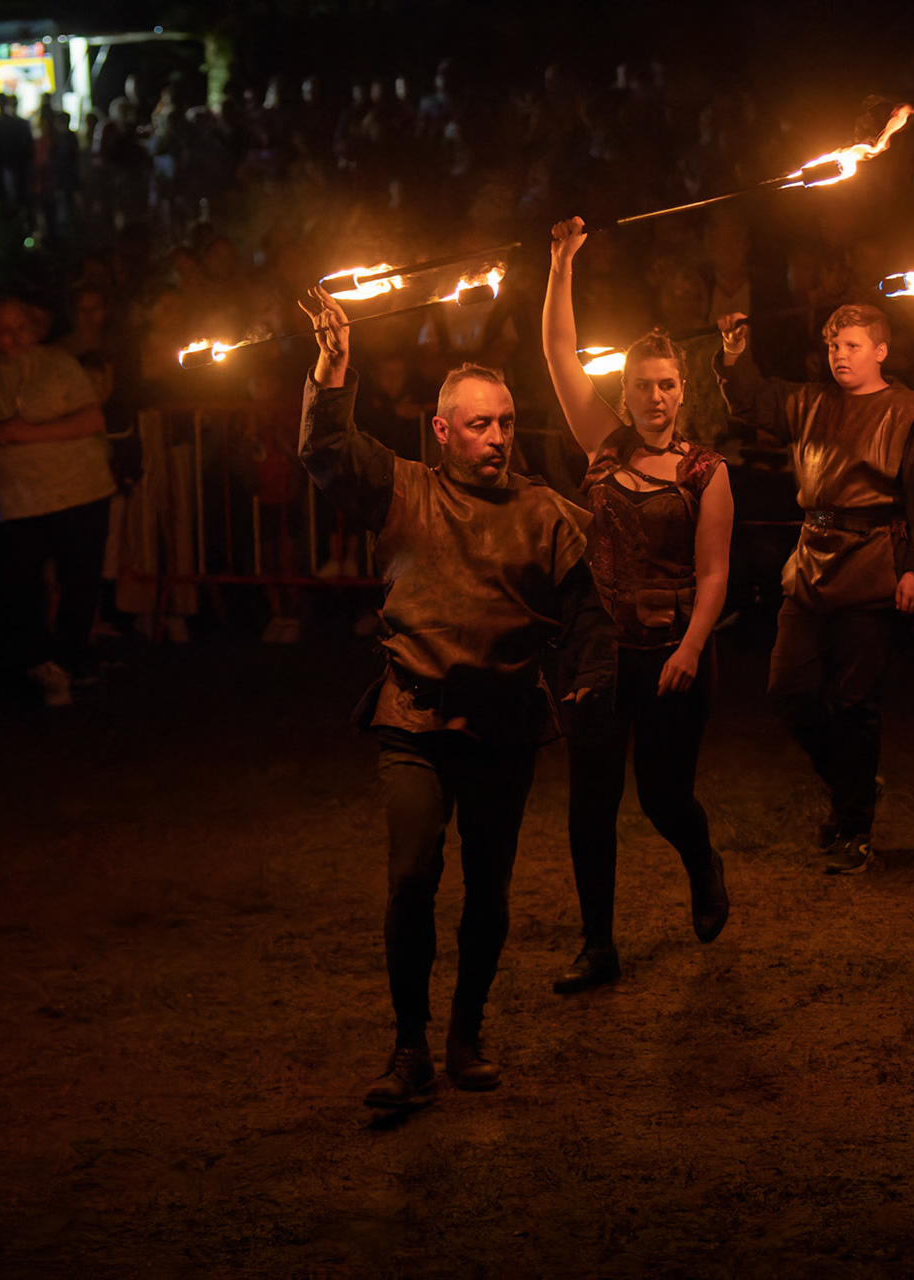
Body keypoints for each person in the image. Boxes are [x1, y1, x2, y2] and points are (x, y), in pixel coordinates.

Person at [298, 286, 614, 1109]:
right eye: (480, 424)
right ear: (442, 431)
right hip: (414, 717)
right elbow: (327, 449)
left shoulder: (547, 515)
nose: (498, 437)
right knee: (411, 876)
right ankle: (408, 1048)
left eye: (506, 422)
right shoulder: (401, 489)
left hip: (505, 723)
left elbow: (587, 614)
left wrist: (589, 682)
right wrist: (333, 366)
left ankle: (466, 1031)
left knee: (488, 887)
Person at [541, 217, 733, 994]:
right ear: (621, 391)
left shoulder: (705, 471)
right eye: (642, 385)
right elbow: (557, 352)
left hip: (668, 656)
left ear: (683, 392)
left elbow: (714, 575)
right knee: (591, 802)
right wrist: (561, 264)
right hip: (597, 655)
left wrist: (690, 648)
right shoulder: (603, 445)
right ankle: (598, 946)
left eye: (667, 385)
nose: (654, 398)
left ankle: (702, 859)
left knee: (662, 797)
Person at [717, 303, 914, 874]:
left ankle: (856, 828)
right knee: (788, 690)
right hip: (811, 564)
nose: (839, 356)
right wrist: (736, 352)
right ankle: (854, 785)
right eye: (833, 346)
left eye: (851, 345)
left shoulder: (909, 413)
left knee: (854, 704)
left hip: (872, 566)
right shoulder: (810, 402)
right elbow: (750, 399)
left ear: (880, 350)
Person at [0, 297, 113, 707]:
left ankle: (65, 665)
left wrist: (26, 434)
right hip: (19, 500)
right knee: (18, 583)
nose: (12, 338)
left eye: (19, 328)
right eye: (2, 329)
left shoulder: (60, 363)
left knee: (80, 581)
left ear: (33, 330)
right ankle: (37, 662)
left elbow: (92, 419)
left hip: (81, 489)